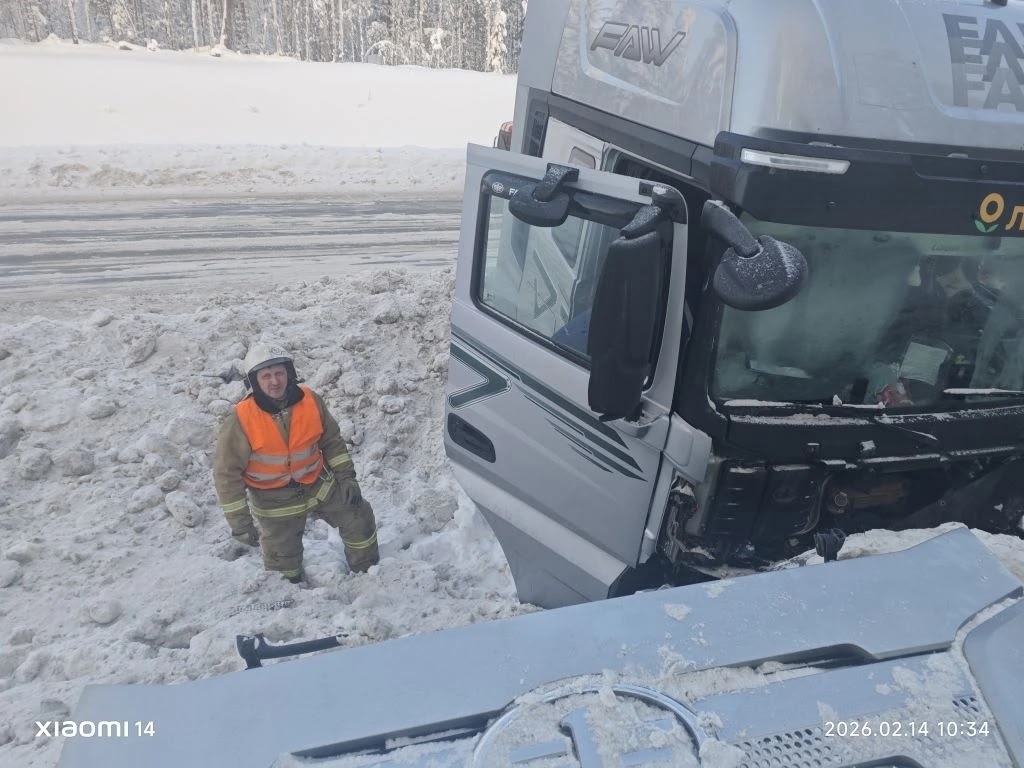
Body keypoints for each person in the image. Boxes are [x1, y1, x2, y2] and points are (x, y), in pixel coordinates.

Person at [213, 343, 379, 583]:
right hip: (274, 502)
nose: (274, 381)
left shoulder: (310, 400)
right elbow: (226, 475)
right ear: (254, 382)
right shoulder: (241, 420)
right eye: (266, 376)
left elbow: (332, 442)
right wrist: (241, 524)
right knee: (283, 565)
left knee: (359, 515)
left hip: (319, 486)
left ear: (289, 373)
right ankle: (293, 594)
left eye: (279, 373)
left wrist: (346, 478)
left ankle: (368, 573)